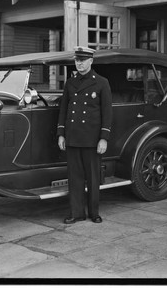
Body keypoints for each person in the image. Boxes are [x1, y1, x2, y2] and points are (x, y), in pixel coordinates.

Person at [57, 46, 113, 224]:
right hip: (73, 137)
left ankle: (94, 212)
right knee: (75, 179)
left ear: (91, 61)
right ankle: (76, 213)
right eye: (76, 60)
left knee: (93, 177)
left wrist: (104, 138)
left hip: (91, 139)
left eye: (82, 60)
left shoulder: (102, 82)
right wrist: (61, 134)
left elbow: (107, 113)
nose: (79, 64)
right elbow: (63, 110)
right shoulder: (70, 83)